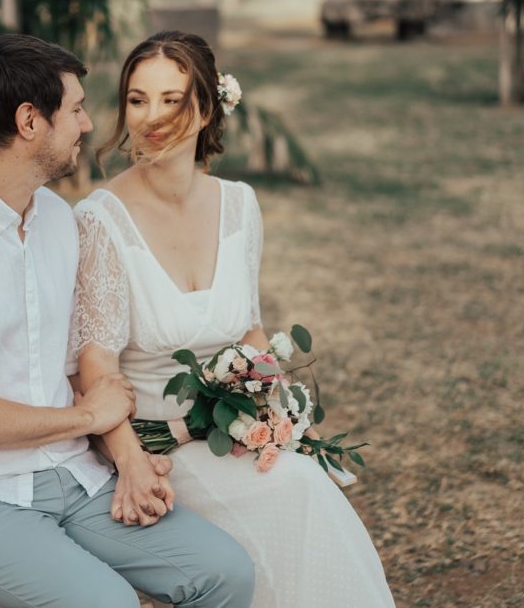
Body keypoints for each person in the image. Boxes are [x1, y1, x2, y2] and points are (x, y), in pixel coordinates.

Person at [0, 34, 255, 608]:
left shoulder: (57, 219)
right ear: (30, 121)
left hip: (72, 479)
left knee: (226, 572)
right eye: (75, 108)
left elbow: (84, 364)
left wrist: (128, 460)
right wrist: (85, 416)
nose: (87, 123)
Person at [71, 30, 396, 608]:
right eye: (138, 99)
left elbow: (248, 331)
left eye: (172, 99)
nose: (152, 117)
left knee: (306, 485)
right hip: (154, 447)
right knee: (299, 494)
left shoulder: (240, 204)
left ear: (206, 108)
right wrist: (129, 462)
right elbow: (93, 366)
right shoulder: (101, 220)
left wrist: (281, 409)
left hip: (229, 433)